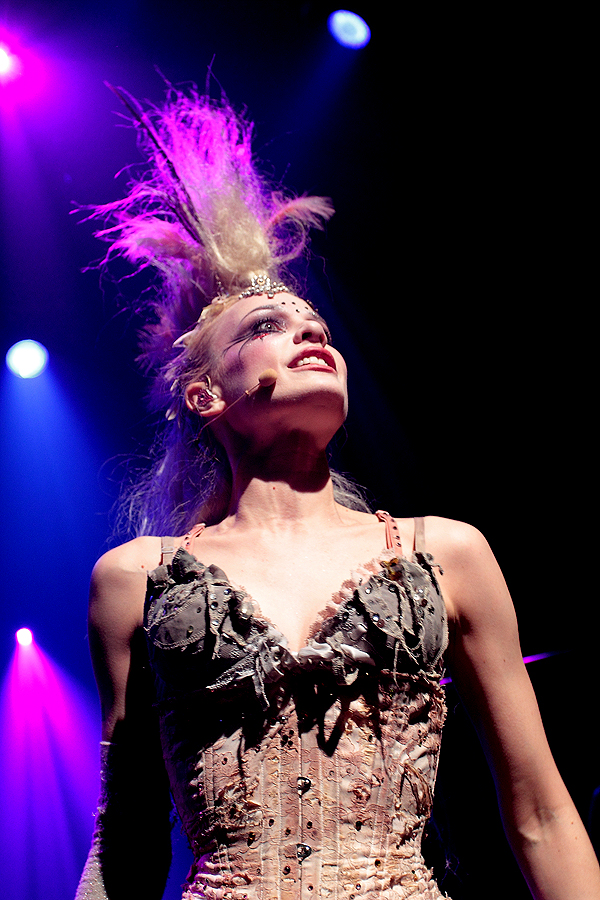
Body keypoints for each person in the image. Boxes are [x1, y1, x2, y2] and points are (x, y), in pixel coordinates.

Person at [75, 88, 600, 900]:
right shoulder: (136, 578)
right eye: (265, 328)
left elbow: (541, 816)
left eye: (317, 325)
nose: (311, 334)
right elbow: (128, 835)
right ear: (206, 395)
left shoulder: (444, 552)